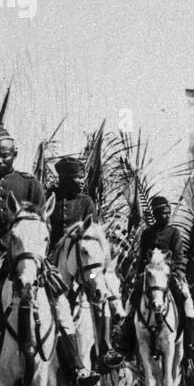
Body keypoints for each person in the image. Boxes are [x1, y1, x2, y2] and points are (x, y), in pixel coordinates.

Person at [0, 126, 98, 386]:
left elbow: (45, 227)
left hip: (29, 259)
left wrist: (38, 259)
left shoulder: (30, 184)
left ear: (15, 154)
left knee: (60, 302)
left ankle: (75, 367)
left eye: (5, 155)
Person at [48, 157, 123, 371]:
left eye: (82, 177)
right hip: (55, 262)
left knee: (101, 292)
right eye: (76, 178)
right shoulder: (51, 198)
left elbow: (94, 235)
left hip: (84, 265)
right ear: (64, 179)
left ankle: (106, 347)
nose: (81, 181)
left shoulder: (86, 202)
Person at [126, 196, 194, 351]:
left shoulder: (174, 233)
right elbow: (142, 257)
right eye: (164, 213)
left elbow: (179, 256)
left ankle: (190, 342)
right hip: (150, 276)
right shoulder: (146, 233)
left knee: (187, 300)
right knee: (132, 300)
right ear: (156, 214)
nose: (167, 216)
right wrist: (138, 274)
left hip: (169, 275)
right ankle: (127, 340)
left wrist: (173, 271)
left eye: (168, 213)